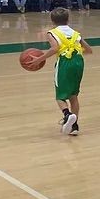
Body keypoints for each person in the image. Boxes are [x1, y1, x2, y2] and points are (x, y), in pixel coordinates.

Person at [25, 7, 93, 135]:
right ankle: (75, 126)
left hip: (64, 63)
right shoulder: (75, 33)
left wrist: (39, 59)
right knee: (73, 95)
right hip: (79, 62)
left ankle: (67, 115)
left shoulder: (52, 33)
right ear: (68, 19)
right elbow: (89, 50)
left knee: (60, 96)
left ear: (52, 20)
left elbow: (55, 48)